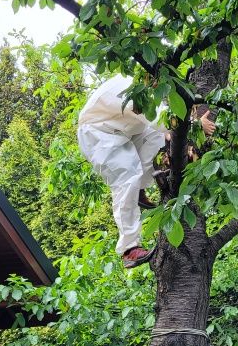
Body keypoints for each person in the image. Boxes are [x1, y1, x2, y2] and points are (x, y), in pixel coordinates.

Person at [77, 75, 215, 268]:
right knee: (126, 179)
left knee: (159, 138)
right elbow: (159, 118)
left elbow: (163, 121)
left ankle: (139, 190)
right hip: (99, 134)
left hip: (123, 131)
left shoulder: (144, 86)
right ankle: (129, 249)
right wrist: (196, 125)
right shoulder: (133, 89)